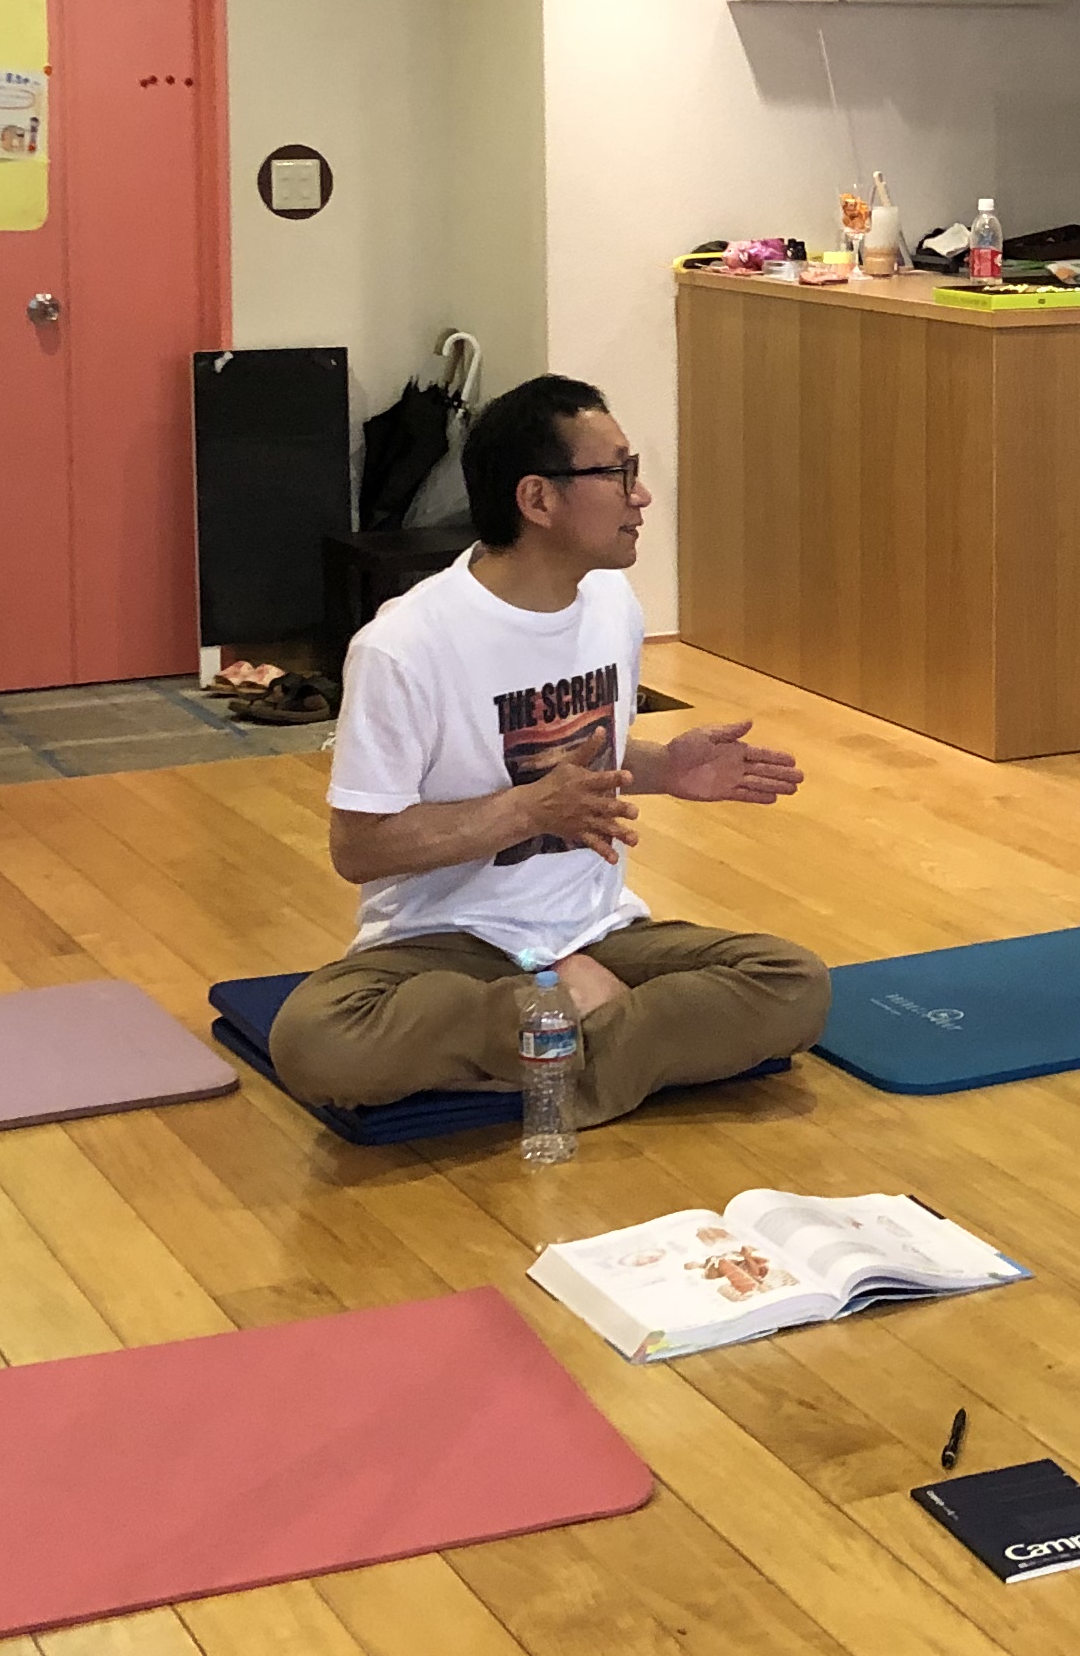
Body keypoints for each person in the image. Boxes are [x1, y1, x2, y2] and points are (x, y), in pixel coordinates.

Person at [269, 376, 829, 1121]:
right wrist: (526, 812)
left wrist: (665, 768)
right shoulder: (403, 645)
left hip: (598, 932)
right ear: (537, 499)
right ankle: (585, 1032)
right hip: (447, 948)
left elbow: (579, 758)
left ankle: (549, 1045)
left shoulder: (612, 605)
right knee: (317, 1040)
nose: (641, 497)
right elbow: (359, 848)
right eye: (618, 473)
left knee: (794, 982)